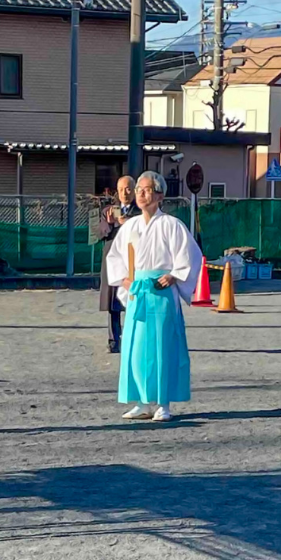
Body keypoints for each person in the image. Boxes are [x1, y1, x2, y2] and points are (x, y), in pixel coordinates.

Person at [105, 171, 203, 422]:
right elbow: (114, 258)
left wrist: (173, 275)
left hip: (162, 293)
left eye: (147, 189)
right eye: (139, 189)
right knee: (135, 348)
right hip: (138, 291)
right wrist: (126, 281)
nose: (141, 193)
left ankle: (163, 403)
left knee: (163, 347)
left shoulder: (171, 225)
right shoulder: (131, 226)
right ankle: (140, 401)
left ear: (160, 195)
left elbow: (189, 255)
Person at [99, 176, 139, 353]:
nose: (125, 193)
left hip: (133, 261)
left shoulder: (140, 211)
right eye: (122, 189)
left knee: (133, 300)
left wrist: (127, 224)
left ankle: (132, 339)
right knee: (112, 301)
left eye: (129, 189)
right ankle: (113, 340)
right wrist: (111, 223)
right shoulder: (109, 210)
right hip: (112, 259)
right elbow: (99, 233)